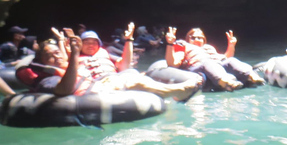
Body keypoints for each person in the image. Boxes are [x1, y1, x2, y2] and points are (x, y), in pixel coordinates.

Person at [18, 30, 200, 102]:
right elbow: (64, 78)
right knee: (133, 80)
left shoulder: (104, 54)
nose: (56, 56)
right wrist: (67, 47)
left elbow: (125, 64)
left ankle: (174, 90)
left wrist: (129, 39)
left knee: (132, 75)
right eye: (49, 55)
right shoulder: (64, 66)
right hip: (94, 88)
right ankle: (177, 91)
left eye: (57, 52)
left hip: (102, 82)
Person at [165, 27, 264, 91]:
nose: (197, 40)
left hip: (215, 66)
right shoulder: (183, 45)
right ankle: (226, 83)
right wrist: (170, 43)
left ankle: (253, 78)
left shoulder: (208, 47)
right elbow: (173, 64)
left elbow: (226, 59)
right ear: (188, 39)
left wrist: (231, 45)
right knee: (208, 63)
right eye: (193, 37)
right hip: (196, 69)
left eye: (200, 38)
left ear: (204, 40)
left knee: (232, 61)